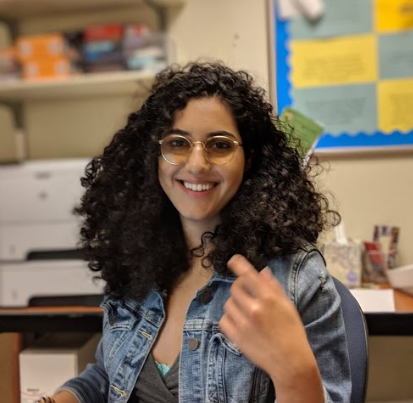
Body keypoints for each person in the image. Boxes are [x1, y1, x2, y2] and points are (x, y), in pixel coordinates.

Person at [39, 62, 351, 403]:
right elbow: (108, 374)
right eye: (177, 143)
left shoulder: (294, 277)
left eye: (219, 145)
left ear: (248, 160)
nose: (197, 164)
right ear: (153, 157)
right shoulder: (137, 260)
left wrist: (294, 371)